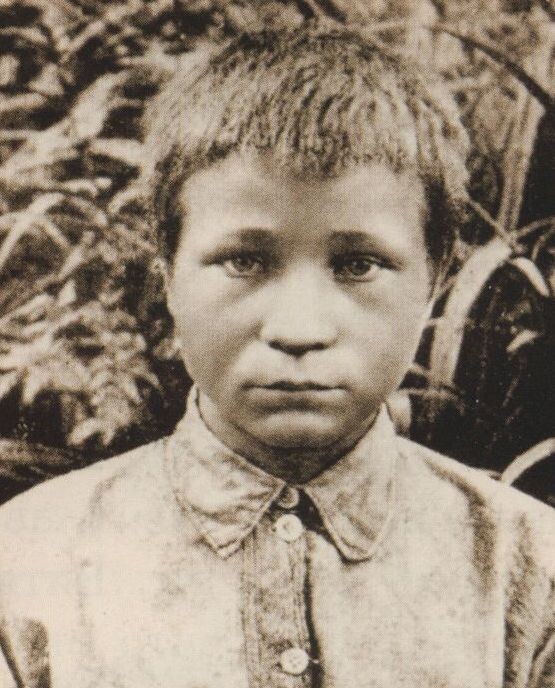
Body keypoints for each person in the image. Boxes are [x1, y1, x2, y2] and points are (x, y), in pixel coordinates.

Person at [0, 24, 554, 688]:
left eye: (357, 264)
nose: (299, 329)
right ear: (168, 272)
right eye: (244, 261)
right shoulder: (26, 567)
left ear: (434, 278)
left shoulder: (529, 571)